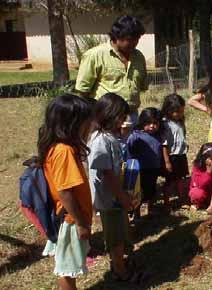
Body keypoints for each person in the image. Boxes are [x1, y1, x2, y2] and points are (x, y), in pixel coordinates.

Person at [38, 94, 93, 290]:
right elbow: (65, 192)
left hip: (70, 217)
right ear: (73, 124)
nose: (89, 126)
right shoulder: (64, 151)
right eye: (86, 122)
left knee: (69, 266)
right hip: (71, 218)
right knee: (67, 269)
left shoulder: (61, 148)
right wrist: (81, 222)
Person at [87, 93, 136, 281]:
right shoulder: (100, 140)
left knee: (119, 229)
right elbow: (106, 173)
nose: (123, 121)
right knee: (114, 236)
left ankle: (119, 261)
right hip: (109, 197)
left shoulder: (107, 136)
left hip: (114, 194)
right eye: (121, 117)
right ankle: (119, 270)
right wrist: (122, 195)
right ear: (109, 115)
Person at [75, 15, 148, 129]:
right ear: (117, 36)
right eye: (129, 39)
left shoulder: (139, 57)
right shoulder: (95, 55)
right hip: (105, 119)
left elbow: (142, 86)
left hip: (132, 118)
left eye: (137, 39)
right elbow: (83, 92)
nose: (134, 43)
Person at [127, 107, 162, 214]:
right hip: (140, 169)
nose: (152, 126)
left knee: (151, 190)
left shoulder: (158, 136)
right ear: (142, 122)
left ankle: (150, 210)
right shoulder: (136, 135)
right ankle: (136, 211)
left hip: (153, 168)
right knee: (138, 191)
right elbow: (129, 149)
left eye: (155, 123)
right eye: (148, 123)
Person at [161, 94, 189, 209]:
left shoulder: (180, 121)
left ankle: (182, 199)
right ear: (168, 110)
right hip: (172, 156)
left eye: (182, 112)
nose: (180, 114)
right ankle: (166, 202)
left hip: (181, 154)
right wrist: (167, 161)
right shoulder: (166, 124)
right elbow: (164, 144)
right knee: (170, 181)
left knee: (181, 178)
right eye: (177, 112)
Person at [189, 143, 212, 209]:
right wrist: (208, 172)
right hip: (202, 192)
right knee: (196, 192)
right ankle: (197, 203)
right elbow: (200, 185)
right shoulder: (197, 168)